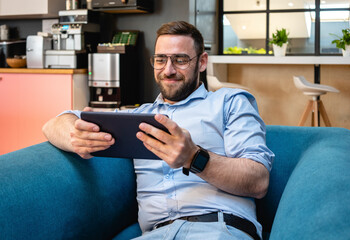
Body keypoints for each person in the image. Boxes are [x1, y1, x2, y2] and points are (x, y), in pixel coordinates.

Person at [43, 21, 274, 240]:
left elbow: (258, 181)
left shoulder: (229, 102)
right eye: (161, 59)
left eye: (181, 60)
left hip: (217, 229)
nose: (168, 70)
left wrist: (193, 158)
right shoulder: (135, 117)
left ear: (202, 62)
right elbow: (53, 123)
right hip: (155, 233)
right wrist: (76, 136)